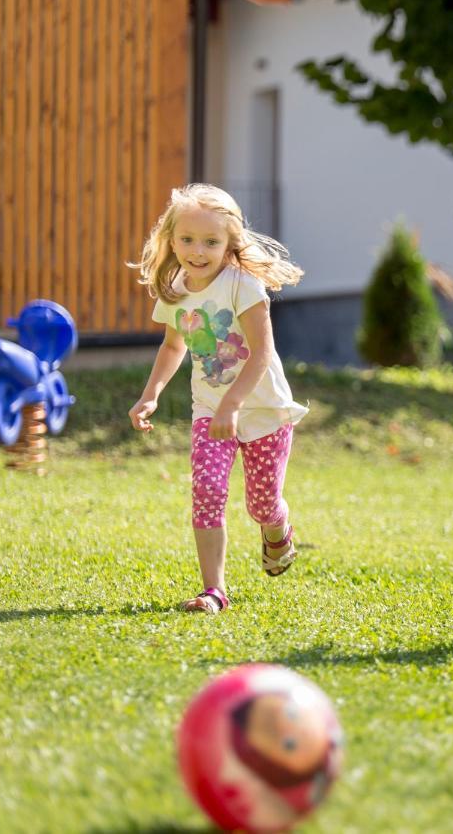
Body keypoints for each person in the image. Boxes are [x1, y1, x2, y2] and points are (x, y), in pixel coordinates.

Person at [128, 184, 307, 613]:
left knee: (261, 502)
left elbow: (262, 352)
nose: (198, 250)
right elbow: (173, 347)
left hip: (262, 408)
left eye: (211, 241)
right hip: (209, 408)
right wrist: (150, 394)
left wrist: (234, 404)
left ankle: (277, 528)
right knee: (207, 490)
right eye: (187, 239)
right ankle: (215, 591)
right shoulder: (174, 286)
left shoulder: (242, 284)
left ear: (229, 244)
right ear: (171, 239)